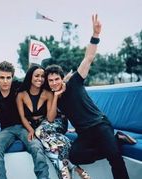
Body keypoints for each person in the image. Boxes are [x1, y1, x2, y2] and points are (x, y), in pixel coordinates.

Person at [45, 14, 130, 179]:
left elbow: (88, 57)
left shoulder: (75, 82)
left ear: (62, 78)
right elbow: (51, 117)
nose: (54, 83)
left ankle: (113, 144)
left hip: (100, 125)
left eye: (57, 79)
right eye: (51, 81)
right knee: (75, 156)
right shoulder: (55, 97)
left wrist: (95, 35)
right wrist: (56, 97)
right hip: (84, 133)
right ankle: (117, 141)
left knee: (115, 158)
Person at [16, 65, 90, 179]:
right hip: (47, 127)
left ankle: (67, 169)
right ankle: (72, 168)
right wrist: (30, 129)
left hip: (55, 123)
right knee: (51, 144)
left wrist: (55, 96)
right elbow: (23, 117)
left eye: (42, 76)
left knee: (40, 132)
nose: (40, 79)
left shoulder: (50, 92)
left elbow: (50, 118)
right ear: (30, 76)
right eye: (37, 76)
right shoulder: (23, 94)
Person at [0, 61, 49, 179]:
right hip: (6, 130)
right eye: (2, 77)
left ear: (12, 77)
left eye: (8, 77)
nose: (5, 81)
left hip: (24, 126)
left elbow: (37, 83)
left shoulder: (19, 86)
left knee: (37, 148)